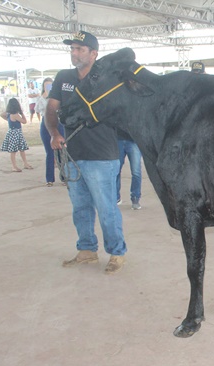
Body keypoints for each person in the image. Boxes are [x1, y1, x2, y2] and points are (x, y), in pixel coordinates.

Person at [45, 31, 127, 274]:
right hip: (72, 153)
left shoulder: (107, 80)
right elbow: (51, 109)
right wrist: (54, 133)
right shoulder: (64, 77)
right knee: (80, 207)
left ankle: (116, 253)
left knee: (106, 208)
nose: (74, 53)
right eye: (72, 48)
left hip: (102, 154)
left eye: (80, 49)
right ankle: (87, 250)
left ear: (94, 54)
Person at [35, 77, 65, 186]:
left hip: (58, 121)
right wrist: (44, 96)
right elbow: (37, 110)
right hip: (45, 123)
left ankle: (64, 177)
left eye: (50, 85)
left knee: (62, 151)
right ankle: (50, 179)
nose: (48, 87)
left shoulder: (58, 96)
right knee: (49, 152)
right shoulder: (41, 98)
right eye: (46, 85)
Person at [0, 98, 32, 172]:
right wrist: (22, 113)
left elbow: (1, 114)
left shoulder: (8, 114)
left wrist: (8, 119)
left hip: (13, 132)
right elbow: (24, 121)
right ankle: (15, 166)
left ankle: (25, 164)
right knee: (15, 151)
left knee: (20, 149)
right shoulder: (15, 115)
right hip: (16, 133)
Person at [116, 129, 142, 210]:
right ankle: (115, 197)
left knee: (136, 172)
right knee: (116, 171)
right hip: (118, 139)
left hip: (134, 140)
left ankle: (135, 198)